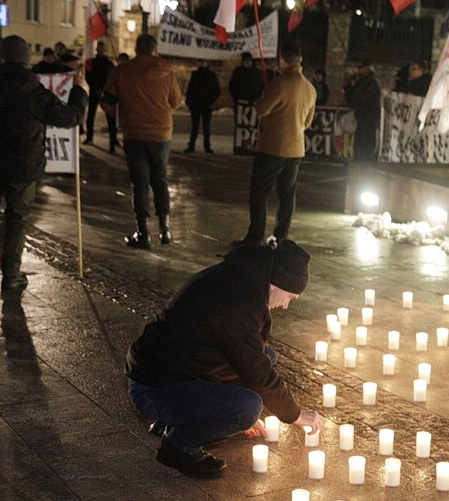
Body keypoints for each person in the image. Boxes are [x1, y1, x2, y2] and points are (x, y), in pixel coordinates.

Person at [127, 239, 324, 478]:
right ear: (275, 285)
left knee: (267, 356)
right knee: (247, 407)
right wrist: (294, 415)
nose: (285, 306)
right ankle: (179, 445)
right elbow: (254, 370)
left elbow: (248, 357)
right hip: (155, 386)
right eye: (290, 297)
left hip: (177, 368)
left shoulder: (240, 278)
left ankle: (180, 418)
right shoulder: (238, 303)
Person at [0, 36, 88, 292]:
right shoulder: (35, 93)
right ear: (26, 60)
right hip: (23, 167)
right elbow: (71, 117)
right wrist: (80, 91)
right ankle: (11, 274)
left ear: (1, 57)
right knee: (17, 219)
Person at [101, 34, 183, 249]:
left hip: (134, 134)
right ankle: (165, 231)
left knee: (140, 183)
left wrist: (121, 117)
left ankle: (143, 232)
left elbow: (106, 101)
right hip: (161, 134)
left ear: (136, 50)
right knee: (160, 180)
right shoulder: (167, 72)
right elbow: (176, 102)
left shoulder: (122, 71)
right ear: (155, 50)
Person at [232, 42, 316, 248]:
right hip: (296, 148)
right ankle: (281, 236)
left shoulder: (280, 83)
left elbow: (262, 108)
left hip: (274, 146)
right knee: (287, 194)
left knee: (259, 191)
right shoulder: (310, 88)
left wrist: (263, 94)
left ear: (282, 61)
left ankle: (255, 236)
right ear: (300, 60)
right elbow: (307, 122)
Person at [85, 41, 119, 152]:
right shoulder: (91, 62)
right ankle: (89, 137)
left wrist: (104, 89)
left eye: (102, 48)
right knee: (91, 115)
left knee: (110, 118)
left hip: (106, 93)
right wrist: (95, 88)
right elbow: (88, 76)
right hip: (94, 91)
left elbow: (111, 77)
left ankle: (112, 142)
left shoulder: (109, 63)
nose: (101, 50)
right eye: (99, 48)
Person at [343, 61, 380, 161]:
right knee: (360, 143)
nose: (358, 70)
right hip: (362, 117)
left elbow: (361, 98)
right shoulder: (362, 82)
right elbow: (352, 99)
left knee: (366, 143)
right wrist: (348, 87)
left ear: (367, 69)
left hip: (368, 117)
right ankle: (360, 162)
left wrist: (352, 89)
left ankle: (366, 164)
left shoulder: (370, 83)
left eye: (360, 68)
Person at [185, 59, 221, 153]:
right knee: (195, 126)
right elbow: (190, 88)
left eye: (203, 62)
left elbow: (217, 90)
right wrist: (188, 101)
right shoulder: (195, 74)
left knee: (206, 126)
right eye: (200, 62)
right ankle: (192, 145)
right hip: (196, 104)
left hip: (206, 104)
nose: (201, 64)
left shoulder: (211, 75)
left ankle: (206, 146)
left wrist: (210, 101)